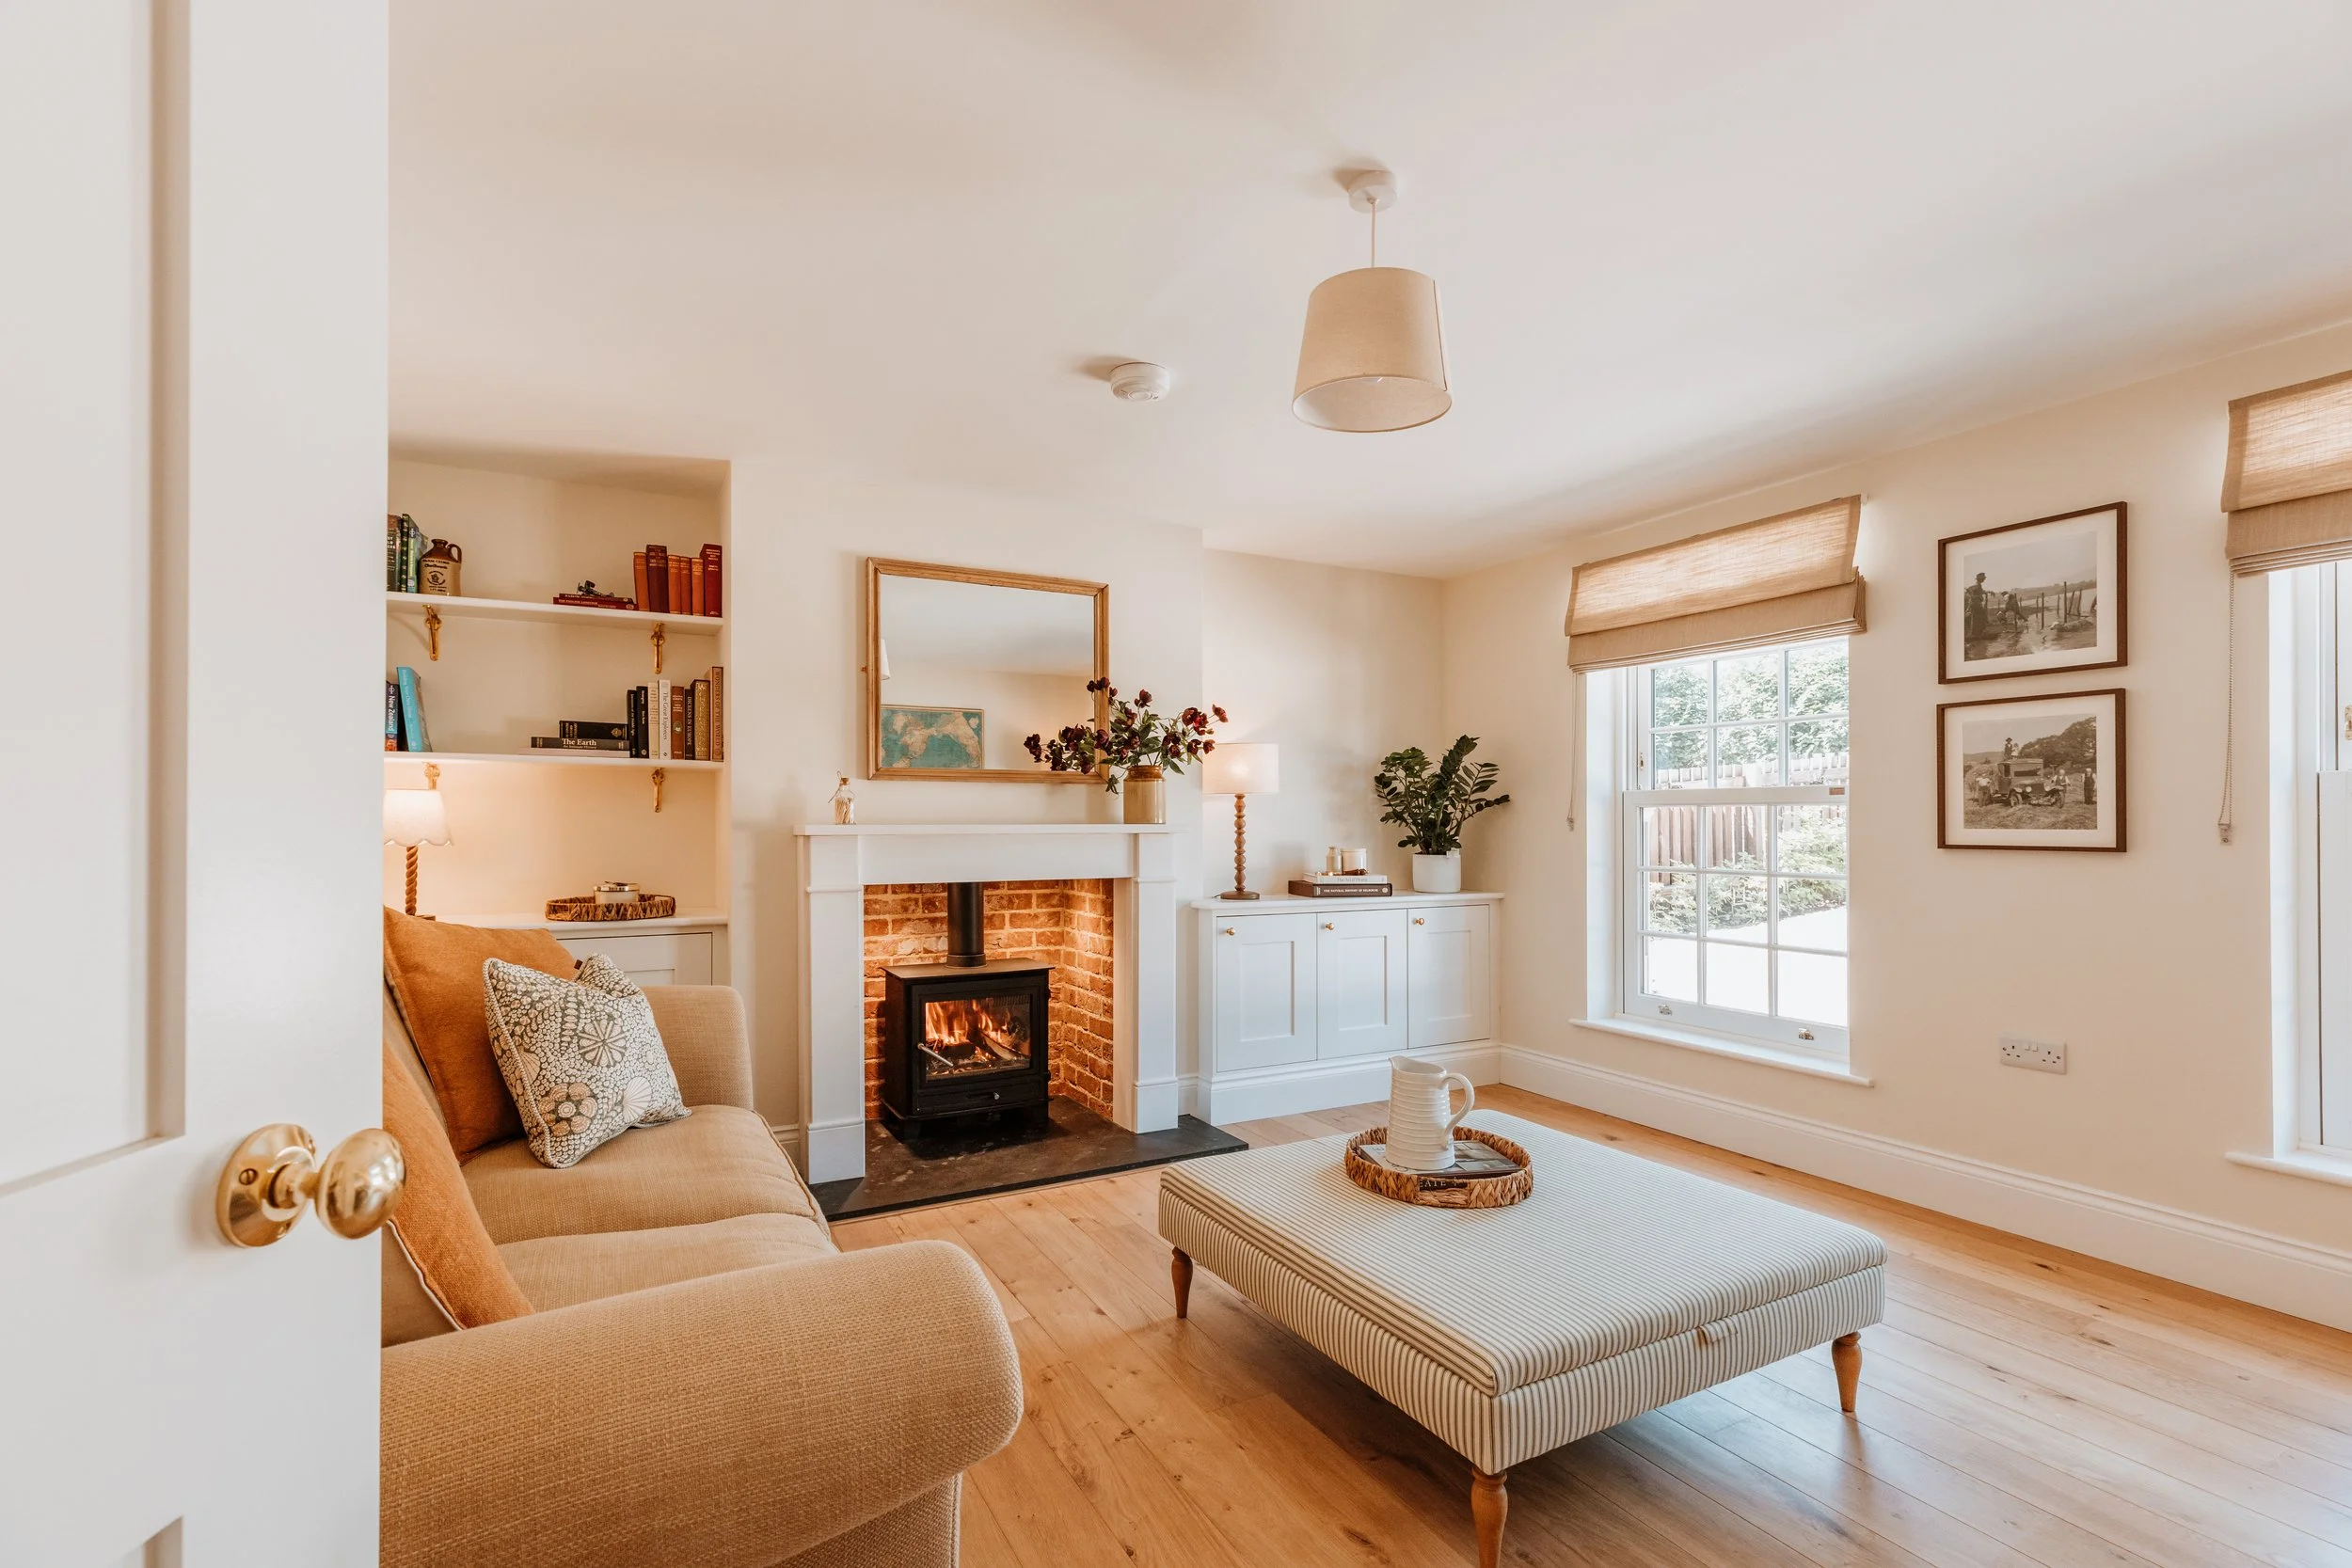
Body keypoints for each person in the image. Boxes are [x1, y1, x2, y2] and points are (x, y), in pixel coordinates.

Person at [1964, 571, 1991, 644]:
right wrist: (1973, 596)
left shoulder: (1979, 585)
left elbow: (1981, 591)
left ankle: (1977, 632)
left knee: (1977, 617)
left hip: (1977, 603)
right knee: (1982, 615)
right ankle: (1978, 632)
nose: (1984, 580)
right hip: (1976, 603)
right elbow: (1969, 589)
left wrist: (1988, 592)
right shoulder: (1977, 584)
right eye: (1983, 578)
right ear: (1980, 579)